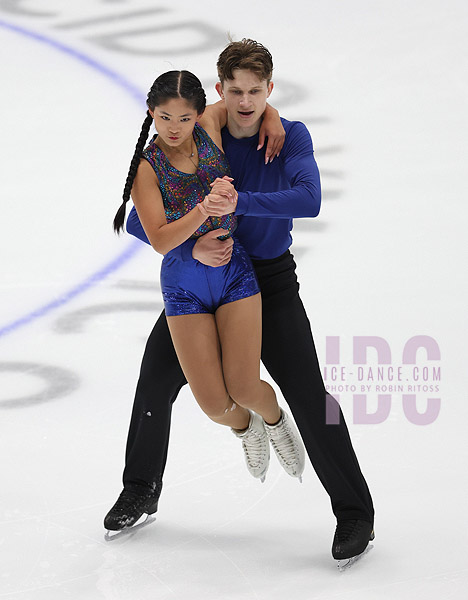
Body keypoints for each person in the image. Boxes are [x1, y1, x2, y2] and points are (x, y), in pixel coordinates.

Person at [105, 39, 375, 564]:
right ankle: (140, 487)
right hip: (202, 279)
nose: (247, 102)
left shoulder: (289, 135)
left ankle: (354, 511)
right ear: (220, 91)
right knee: (155, 378)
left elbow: (310, 198)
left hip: (268, 284)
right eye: (236, 91)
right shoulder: (201, 134)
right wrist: (192, 242)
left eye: (257, 93)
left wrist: (236, 201)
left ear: (270, 90)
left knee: (307, 391)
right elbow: (142, 219)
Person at [113, 70, 305, 486]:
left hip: (234, 273)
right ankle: (245, 428)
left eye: (184, 118)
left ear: (198, 114)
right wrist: (202, 212)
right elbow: (161, 239)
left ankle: (274, 420)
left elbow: (246, 103)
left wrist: (272, 116)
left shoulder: (209, 129)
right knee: (215, 404)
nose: (175, 128)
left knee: (246, 387)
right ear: (152, 113)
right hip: (184, 286)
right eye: (164, 118)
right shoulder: (147, 169)